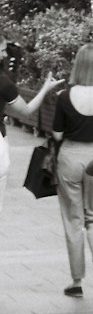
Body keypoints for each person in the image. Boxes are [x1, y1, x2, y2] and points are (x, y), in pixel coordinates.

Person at [51, 45, 93, 298]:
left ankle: (77, 280)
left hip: (70, 156)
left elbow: (57, 133)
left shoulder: (65, 96)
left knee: (73, 220)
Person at [0, 60, 62, 213]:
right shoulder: (3, 82)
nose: (5, 54)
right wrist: (45, 89)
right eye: (2, 49)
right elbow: (26, 110)